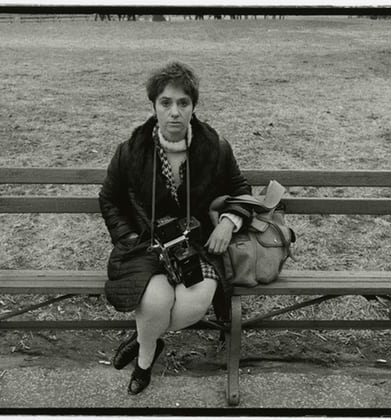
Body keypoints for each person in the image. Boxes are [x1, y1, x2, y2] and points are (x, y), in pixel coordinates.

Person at [99, 61, 252, 395]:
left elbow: (242, 192)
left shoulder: (215, 148)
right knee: (153, 304)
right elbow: (109, 199)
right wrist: (127, 235)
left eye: (183, 103)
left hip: (198, 248)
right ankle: (144, 362)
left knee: (191, 307)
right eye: (165, 103)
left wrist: (228, 222)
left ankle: (144, 339)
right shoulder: (131, 150)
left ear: (193, 106)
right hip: (146, 248)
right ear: (154, 106)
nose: (174, 112)